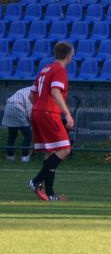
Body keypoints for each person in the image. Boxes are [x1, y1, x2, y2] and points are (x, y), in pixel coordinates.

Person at [26, 41, 75, 201]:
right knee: (65, 149)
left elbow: (31, 96)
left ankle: (50, 193)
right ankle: (36, 181)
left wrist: (40, 107)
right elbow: (55, 91)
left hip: (36, 112)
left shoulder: (45, 69)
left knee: (50, 152)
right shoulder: (59, 70)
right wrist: (67, 114)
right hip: (48, 112)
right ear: (69, 56)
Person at [4, 86, 33, 163]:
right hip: (17, 109)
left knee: (12, 135)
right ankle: (25, 157)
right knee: (28, 135)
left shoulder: (26, 89)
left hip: (8, 108)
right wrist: (33, 123)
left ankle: (10, 157)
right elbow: (29, 109)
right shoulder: (32, 92)